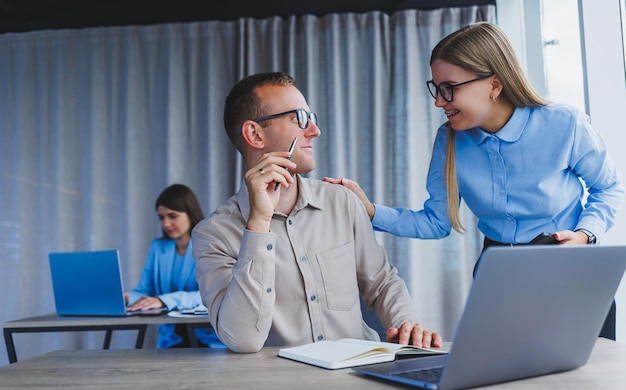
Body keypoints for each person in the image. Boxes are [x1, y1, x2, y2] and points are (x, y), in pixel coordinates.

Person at [324, 22, 624, 338]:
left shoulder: (564, 124)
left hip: (570, 268)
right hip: (499, 276)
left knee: (586, 381)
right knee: (504, 380)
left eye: (449, 88)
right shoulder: (449, 140)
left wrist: (585, 234)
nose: (439, 101)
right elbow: (434, 223)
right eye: (436, 88)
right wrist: (369, 211)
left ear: (494, 84)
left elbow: (608, 187)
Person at [192, 72, 442, 353]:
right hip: (280, 388)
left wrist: (407, 323)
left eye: (312, 118)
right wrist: (259, 225)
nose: (314, 130)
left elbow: (382, 283)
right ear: (255, 134)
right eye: (299, 118)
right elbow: (242, 339)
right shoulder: (212, 235)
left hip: (360, 375)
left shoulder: (342, 202)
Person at [126, 183, 225, 348]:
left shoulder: (211, 246)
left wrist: (164, 300)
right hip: (172, 340)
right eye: (161, 217)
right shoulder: (158, 248)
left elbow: (211, 295)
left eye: (172, 216)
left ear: (190, 215)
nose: (165, 224)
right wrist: (130, 298)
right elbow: (144, 290)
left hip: (208, 339)